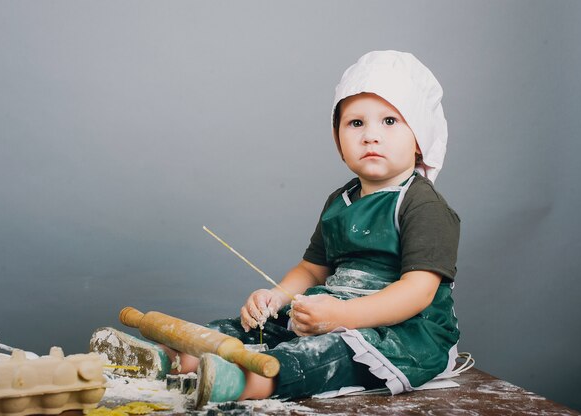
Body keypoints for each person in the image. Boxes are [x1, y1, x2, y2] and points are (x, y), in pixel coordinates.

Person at [93, 50, 461, 409]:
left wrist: (343, 317)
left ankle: (241, 381)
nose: (370, 136)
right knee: (251, 329)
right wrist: (276, 298)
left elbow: (417, 293)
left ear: (419, 139)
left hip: (403, 335)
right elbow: (312, 270)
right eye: (355, 123)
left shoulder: (421, 205)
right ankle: (170, 358)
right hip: (331, 312)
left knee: (321, 355)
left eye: (390, 121)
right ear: (339, 141)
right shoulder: (340, 201)